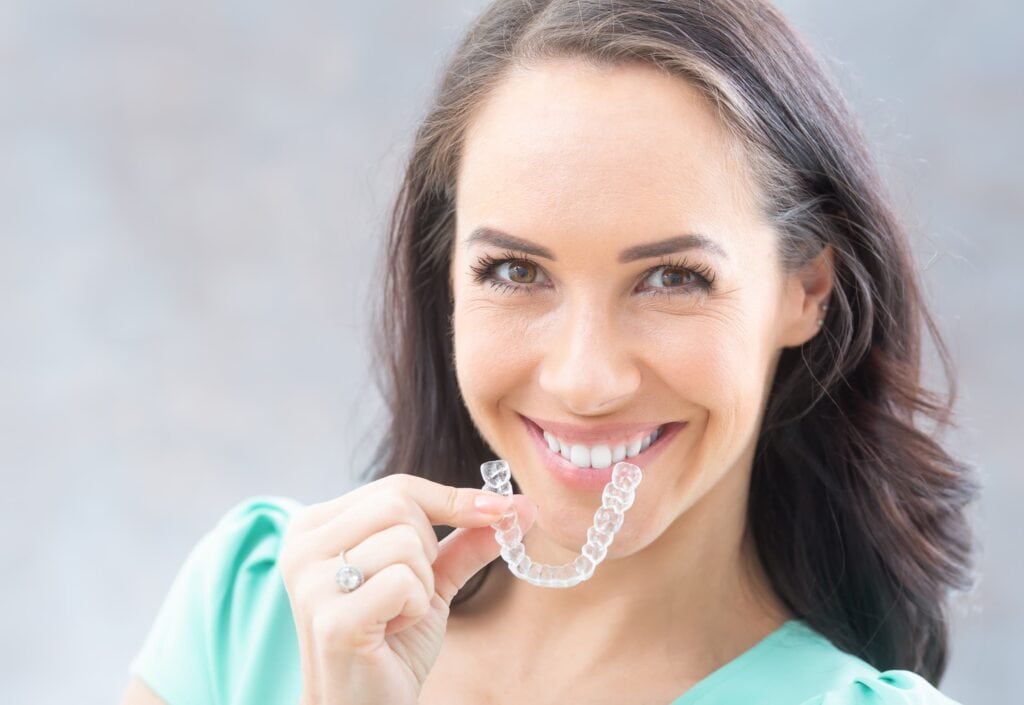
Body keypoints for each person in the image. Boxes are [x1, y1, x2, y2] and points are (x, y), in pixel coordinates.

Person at [120, 1, 980, 703]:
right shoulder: (251, 611)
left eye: (672, 278)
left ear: (806, 289)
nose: (584, 379)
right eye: (516, 270)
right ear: (447, 279)